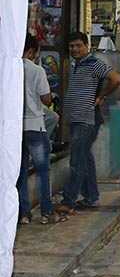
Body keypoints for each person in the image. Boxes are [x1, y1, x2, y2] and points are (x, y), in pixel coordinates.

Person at [56, 32, 120, 215]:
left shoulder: (94, 63)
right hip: (77, 119)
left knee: (77, 161)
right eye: (72, 46)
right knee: (85, 158)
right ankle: (91, 197)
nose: (75, 49)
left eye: (78, 45)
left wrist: (102, 96)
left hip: (87, 119)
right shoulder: (75, 64)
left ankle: (68, 201)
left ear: (87, 46)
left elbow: (117, 79)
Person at [16, 34, 63, 225]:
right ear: (32, 51)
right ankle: (46, 212)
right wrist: (49, 96)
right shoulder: (37, 71)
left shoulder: (9, 69)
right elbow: (46, 100)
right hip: (35, 126)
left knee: (20, 173)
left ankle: (24, 214)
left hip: (16, 128)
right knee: (43, 171)